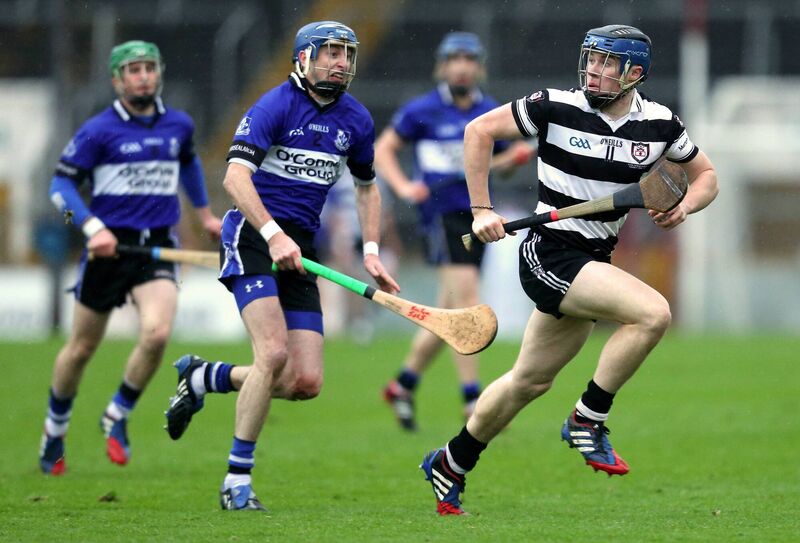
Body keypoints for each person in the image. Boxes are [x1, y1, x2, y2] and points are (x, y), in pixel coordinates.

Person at [420, 24, 719, 515]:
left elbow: (705, 175)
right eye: (591, 60)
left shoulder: (660, 124)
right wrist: (481, 209)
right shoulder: (554, 105)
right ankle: (588, 419)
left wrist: (686, 208)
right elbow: (479, 131)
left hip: (594, 260)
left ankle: (451, 461)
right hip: (551, 254)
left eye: (607, 64)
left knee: (529, 382)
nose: (593, 72)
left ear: (635, 73)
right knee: (652, 313)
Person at [162, 21, 399, 511]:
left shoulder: (355, 120)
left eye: (347, 54)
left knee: (304, 382)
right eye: (331, 52)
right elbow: (234, 177)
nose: (341, 62)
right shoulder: (274, 105)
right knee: (271, 356)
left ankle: (206, 377)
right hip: (252, 237)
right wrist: (272, 234)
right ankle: (236, 484)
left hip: (301, 249)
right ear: (303, 58)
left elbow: (366, 186)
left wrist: (370, 249)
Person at [38, 40, 222, 475]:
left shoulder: (178, 124)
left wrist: (204, 214)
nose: (142, 76)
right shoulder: (97, 131)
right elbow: (59, 188)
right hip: (109, 248)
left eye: (149, 68)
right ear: (118, 80)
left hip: (157, 245)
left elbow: (190, 164)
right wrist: (91, 227)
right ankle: (54, 429)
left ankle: (117, 414)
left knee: (157, 335)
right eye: (133, 70)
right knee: (82, 348)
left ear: (159, 73)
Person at [376, 32, 534, 431]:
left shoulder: (489, 110)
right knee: (467, 306)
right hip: (441, 217)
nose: (462, 66)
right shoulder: (422, 110)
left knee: (448, 311)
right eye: (454, 59)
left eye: (469, 59)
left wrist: (512, 160)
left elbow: (497, 164)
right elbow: (384, 149)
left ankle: (402, 384)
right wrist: (402, 186)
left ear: (479, 66)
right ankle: (472, 402)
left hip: (480, 218)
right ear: (442, 66)